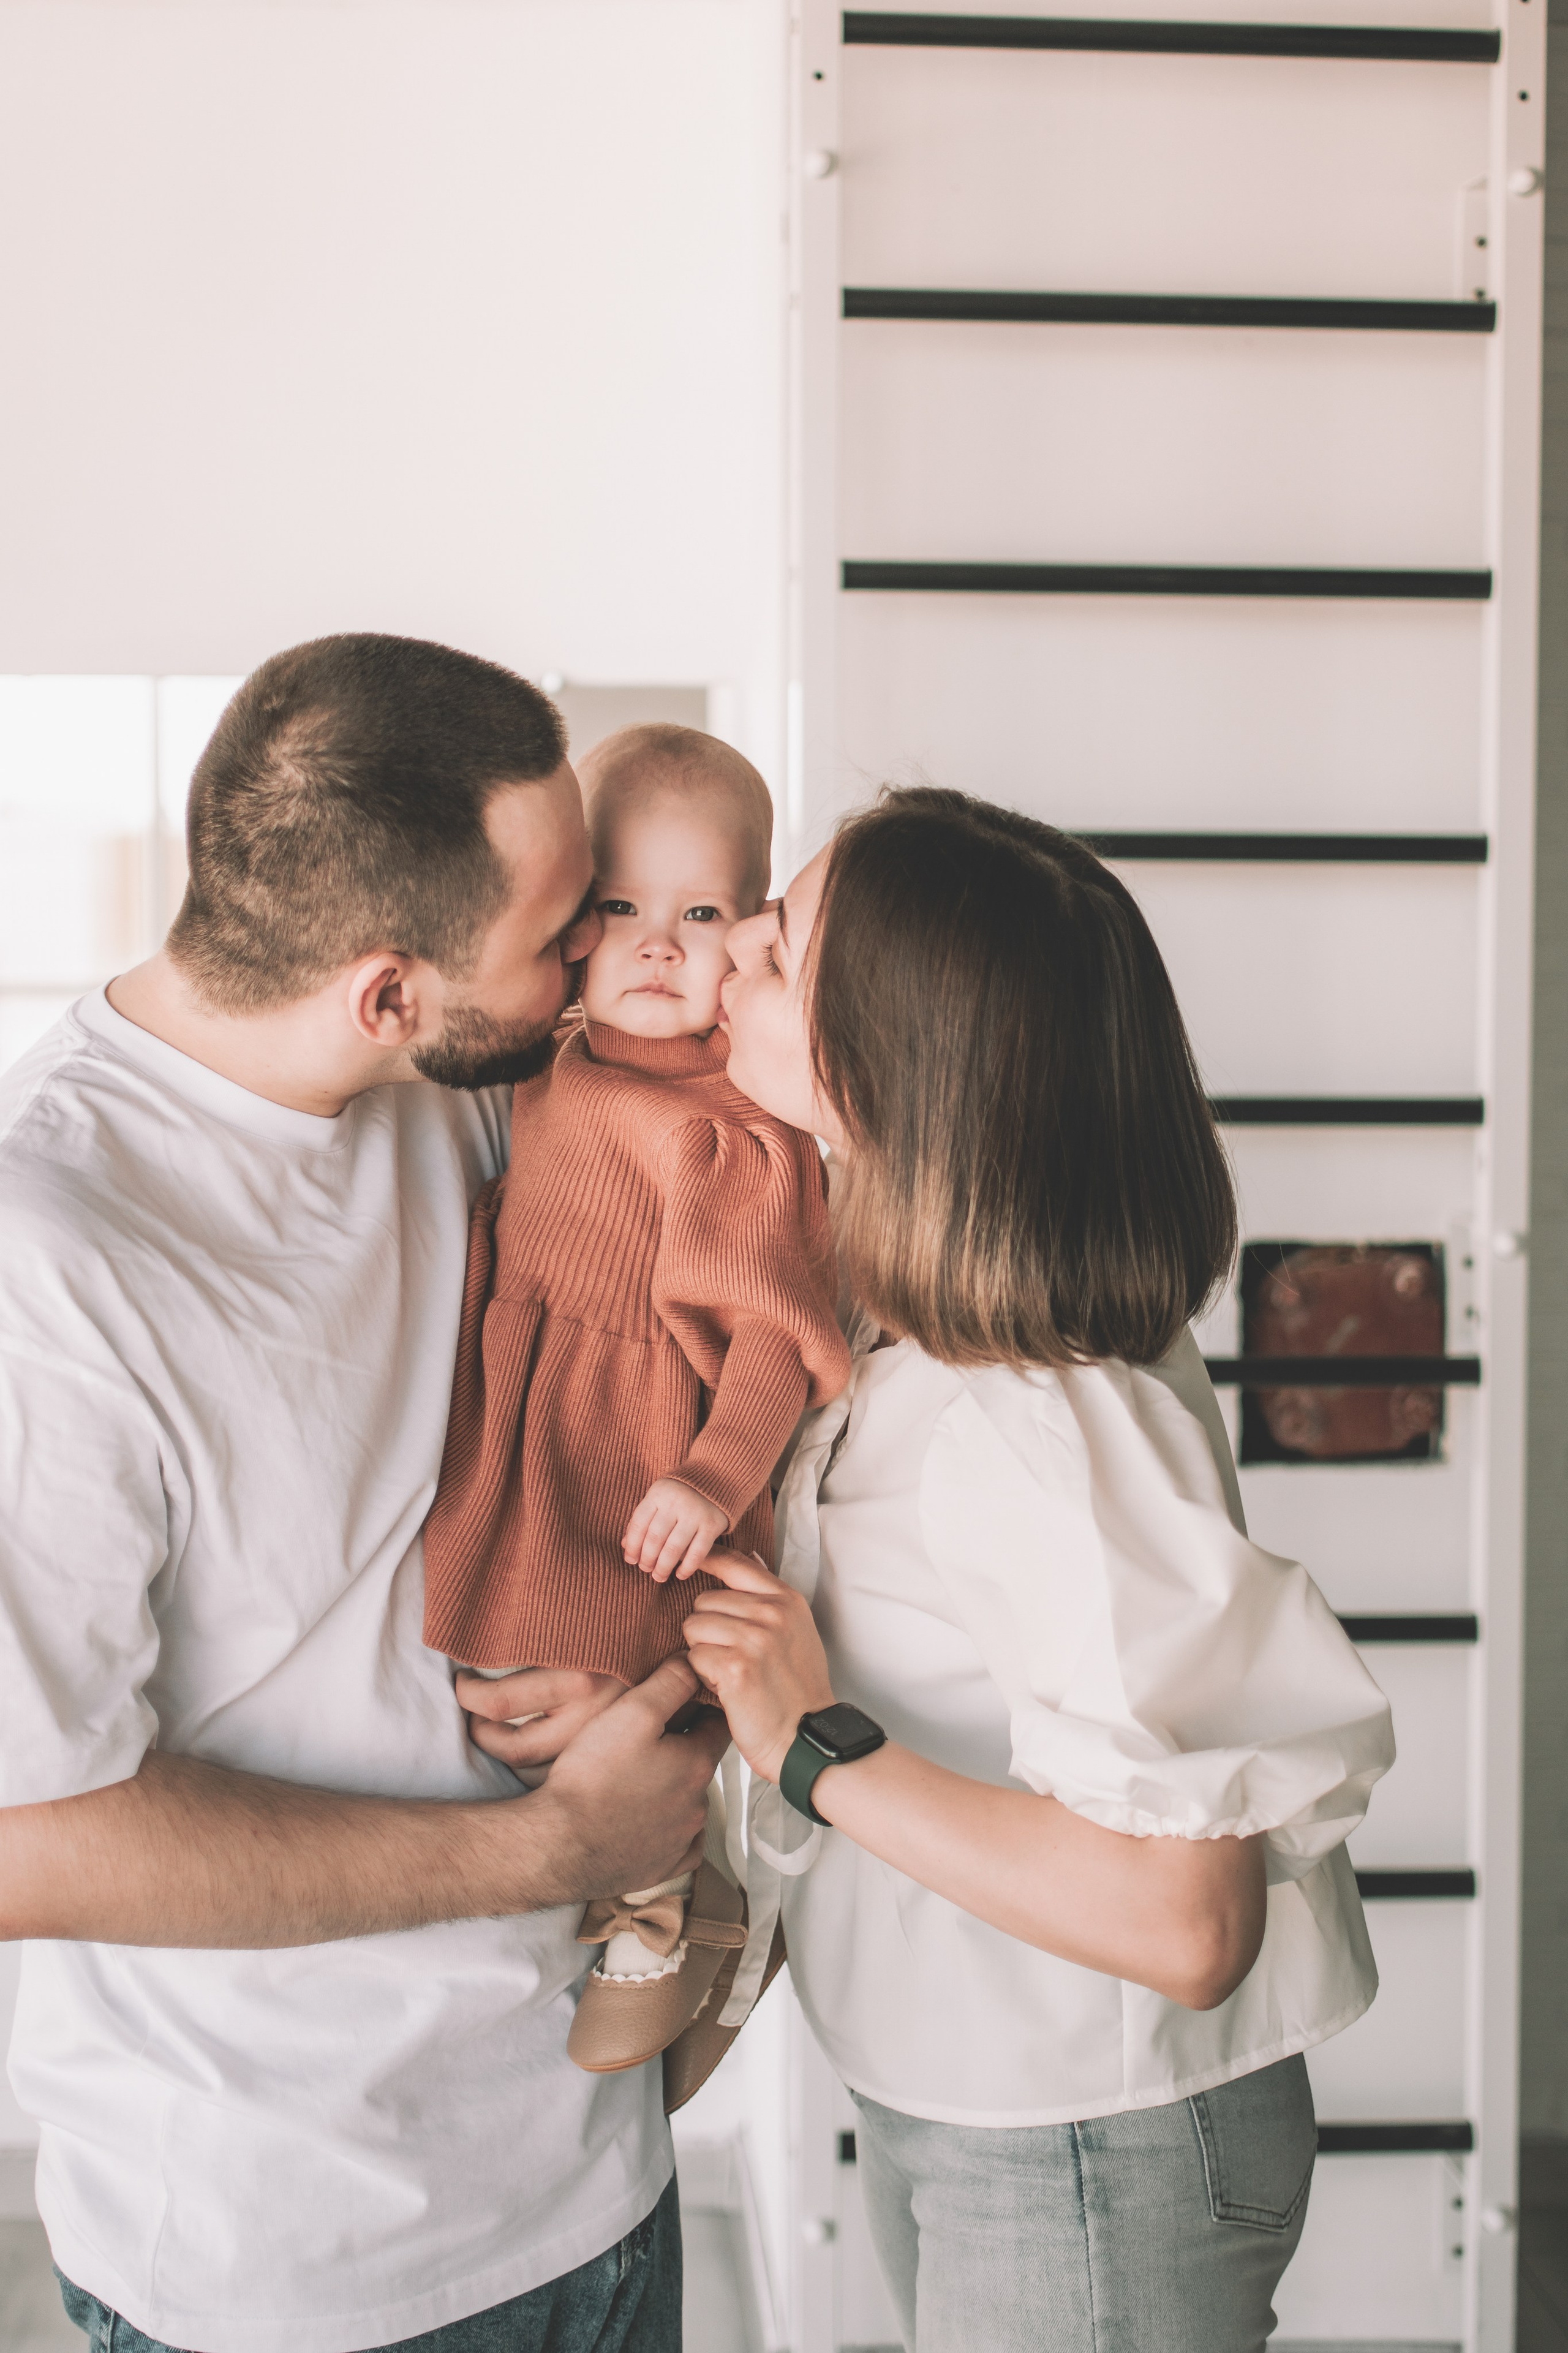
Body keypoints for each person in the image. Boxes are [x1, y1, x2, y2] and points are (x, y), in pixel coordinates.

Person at [0, 635, 729, 2353]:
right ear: (389, 989)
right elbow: (27, 1834)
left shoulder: (447, 1094)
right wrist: (557, 1844)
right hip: (295, 2262)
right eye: (564, 935)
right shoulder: (52, 1268)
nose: (593, 965)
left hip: (593, 2167)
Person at [673, 787, 1398, 2353]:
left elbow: (1187, 1922)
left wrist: (811, 1745)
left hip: (1091, 2148)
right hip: (1002, 2120)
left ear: (882, 1067)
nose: (726, 950)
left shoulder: (1034, 1415)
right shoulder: (925, 1324)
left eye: (779, 946)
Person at [424, 722, 848, 2077]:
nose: (658, 946)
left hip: (639, 1452)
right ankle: (686, 1906)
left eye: (701, 912)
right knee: (495, 1677)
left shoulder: (735, 1128)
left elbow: (774, 1339)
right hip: (528, 1423)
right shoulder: (548, 1058)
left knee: (600, 1679)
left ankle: (662, 1911)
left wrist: (713, 1478)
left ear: (752, 931)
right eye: (622, 908)